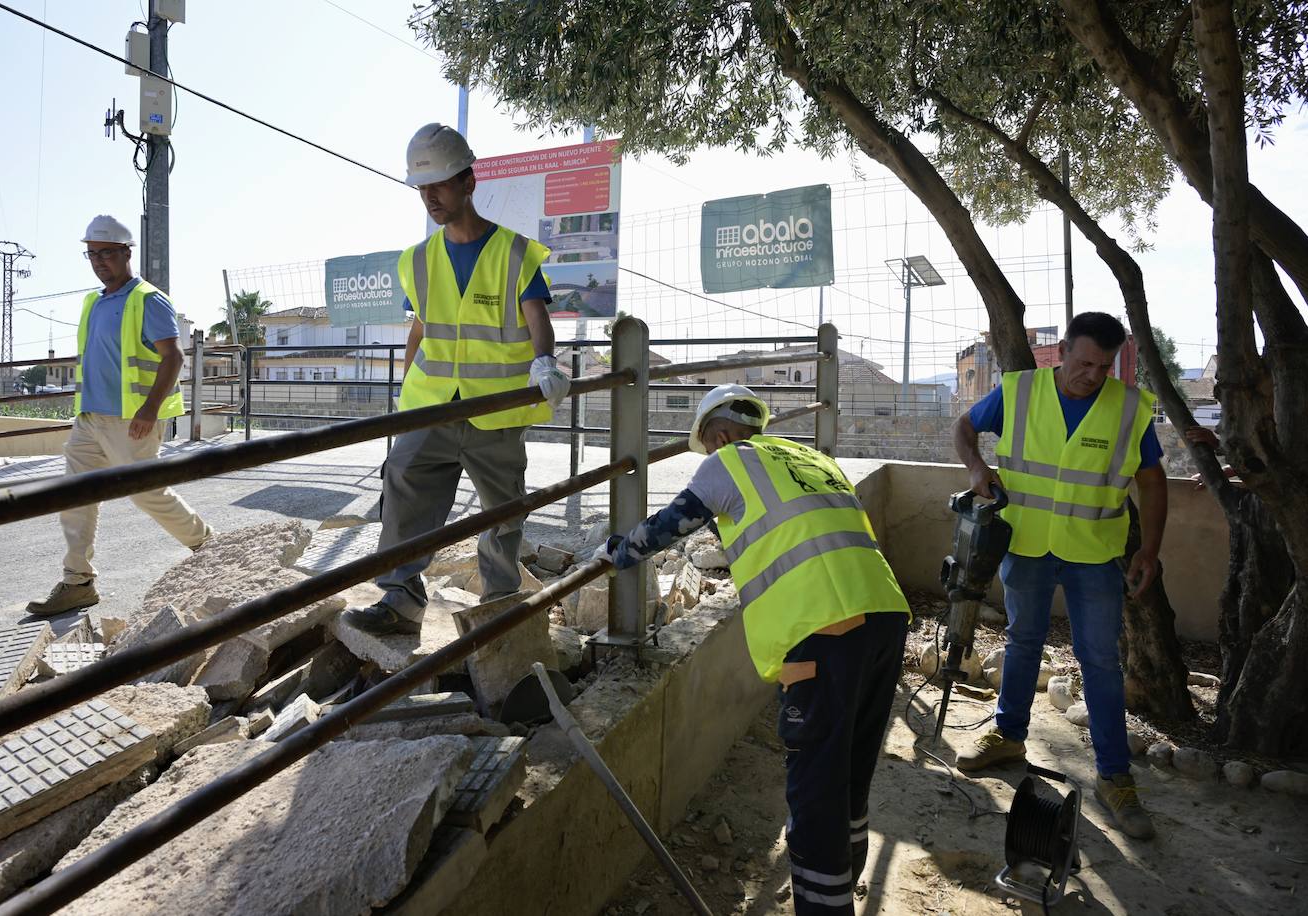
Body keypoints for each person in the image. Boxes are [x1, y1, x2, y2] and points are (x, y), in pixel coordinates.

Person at [597, 385, 910, 914]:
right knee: (851, 763)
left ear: (718, 435)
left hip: (825, 632)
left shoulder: (728, 464)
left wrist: (617, 552)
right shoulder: (809, 458)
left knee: (814, 787)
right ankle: (844, 875)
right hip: (885, 614)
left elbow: (669, 526)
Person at [345, 124, 569, 636]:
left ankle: (499, 608)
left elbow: (537, 318)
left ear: (469, 182)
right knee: (403, 484)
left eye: (440, 184)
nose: (431, 197)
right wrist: (408, 396)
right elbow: (421, 329)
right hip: (435, 408)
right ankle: (400, 601)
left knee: (502, 513)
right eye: (423, 189)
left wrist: (545, 362)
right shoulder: (417, 261)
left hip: (496, 411)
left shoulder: (515, 253)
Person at [951, 311, 1167, 840]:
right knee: (1022, 640)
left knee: (1099, 661)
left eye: (1104, 366)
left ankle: (1115, 777)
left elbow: (1153, 481)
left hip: (1094, 554)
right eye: (1085, 362)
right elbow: (964, 427)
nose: (1092, 375)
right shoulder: (1020, 391)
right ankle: (1008, 735)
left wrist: (1152, 551)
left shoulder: (1129, 408)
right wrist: (977, 468)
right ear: (1063, 352)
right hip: (1025, 546)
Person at [26, 215, 212, 616]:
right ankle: (78, 581)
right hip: (90, 420)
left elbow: (173, 357)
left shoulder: (148, 299)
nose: (98, 261)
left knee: (147, 492)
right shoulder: (93, 302)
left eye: (106, 253)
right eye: (91, 254)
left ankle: (207, 545)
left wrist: (148, 409)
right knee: (75, 497)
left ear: (127, 253)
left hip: (131, 421)